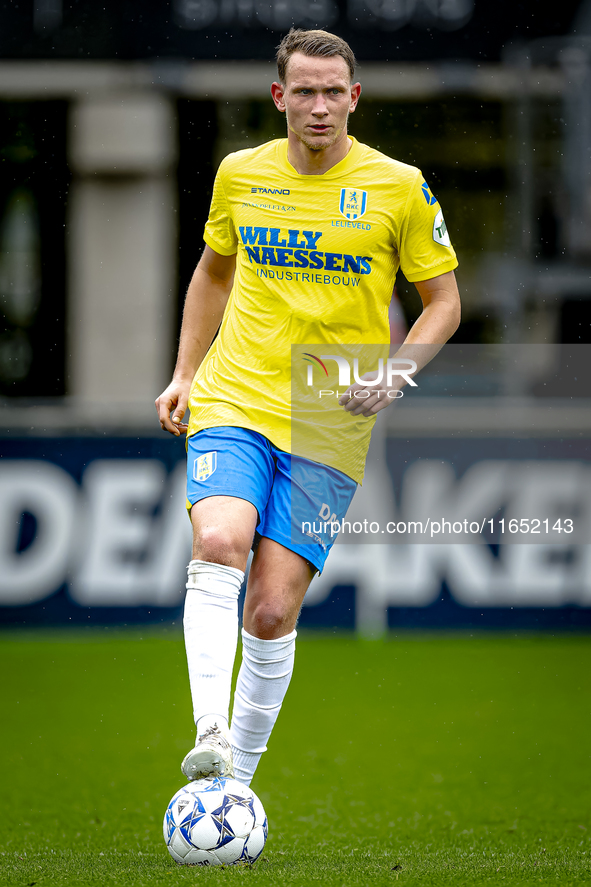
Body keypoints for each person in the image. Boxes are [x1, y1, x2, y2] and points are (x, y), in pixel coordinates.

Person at [155, 28, 461, 788]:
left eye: (333, 92)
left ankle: (235, 787)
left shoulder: (398, 186)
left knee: (267, 611)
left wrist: (395, 374)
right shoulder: (240, 174)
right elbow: (212, 274)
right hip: (240, 393)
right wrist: (186, 371)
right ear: (278, 96)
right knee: (220, 538)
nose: (319, 106)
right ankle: (209, 732)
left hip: (331, 419)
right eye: (305, 91)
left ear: (353, 98)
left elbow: (445, 303)